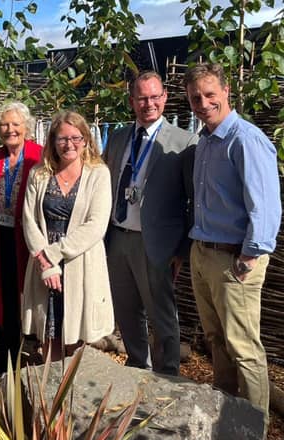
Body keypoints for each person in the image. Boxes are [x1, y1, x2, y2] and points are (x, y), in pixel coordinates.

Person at [184, 63, 280, 436]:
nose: (203, 102)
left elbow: (266, 206)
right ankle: (224, 409)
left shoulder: (246, 139)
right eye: (196, 97)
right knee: (215, 339)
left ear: (226, 92)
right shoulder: (206, 141)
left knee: (243, 347)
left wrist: (250, 256)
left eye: (210, 94)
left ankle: (255, 429)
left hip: (234, 258)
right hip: (204, 251)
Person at [104, 71, 197, 376]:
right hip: (118, 238)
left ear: (165, 98)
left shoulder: (184, 143)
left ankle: (167, 377)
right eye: (142, 98)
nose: (149, 104)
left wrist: (182, 250)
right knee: (127, 311)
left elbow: (193, 201)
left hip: (156, 243)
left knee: (162, 316)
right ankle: (136, 368)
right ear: (132, 101)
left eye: (155, 97)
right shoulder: (118, 138)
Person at [22, 110, 114, 361]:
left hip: (80, 262)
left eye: (75, 138)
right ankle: (50, 392)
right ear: (52, 141)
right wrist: (46, 264)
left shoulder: (98, 174)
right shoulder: (39, 174)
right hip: (45, 266)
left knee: (76, 331)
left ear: (86, 140)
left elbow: (96, 225)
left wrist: (52, 254)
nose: (69, 144)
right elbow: (29, 221)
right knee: (49, 331)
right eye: (62, 138)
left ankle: (73, 392)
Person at [0, 101, 43, 371]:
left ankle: (36, 355)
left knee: (30, 294)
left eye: (16, 124)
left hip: (29, 238)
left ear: (26, 127)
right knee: (4, 296)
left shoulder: (40, 155)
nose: (10, 129)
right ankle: (7, 359)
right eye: (4, 124)